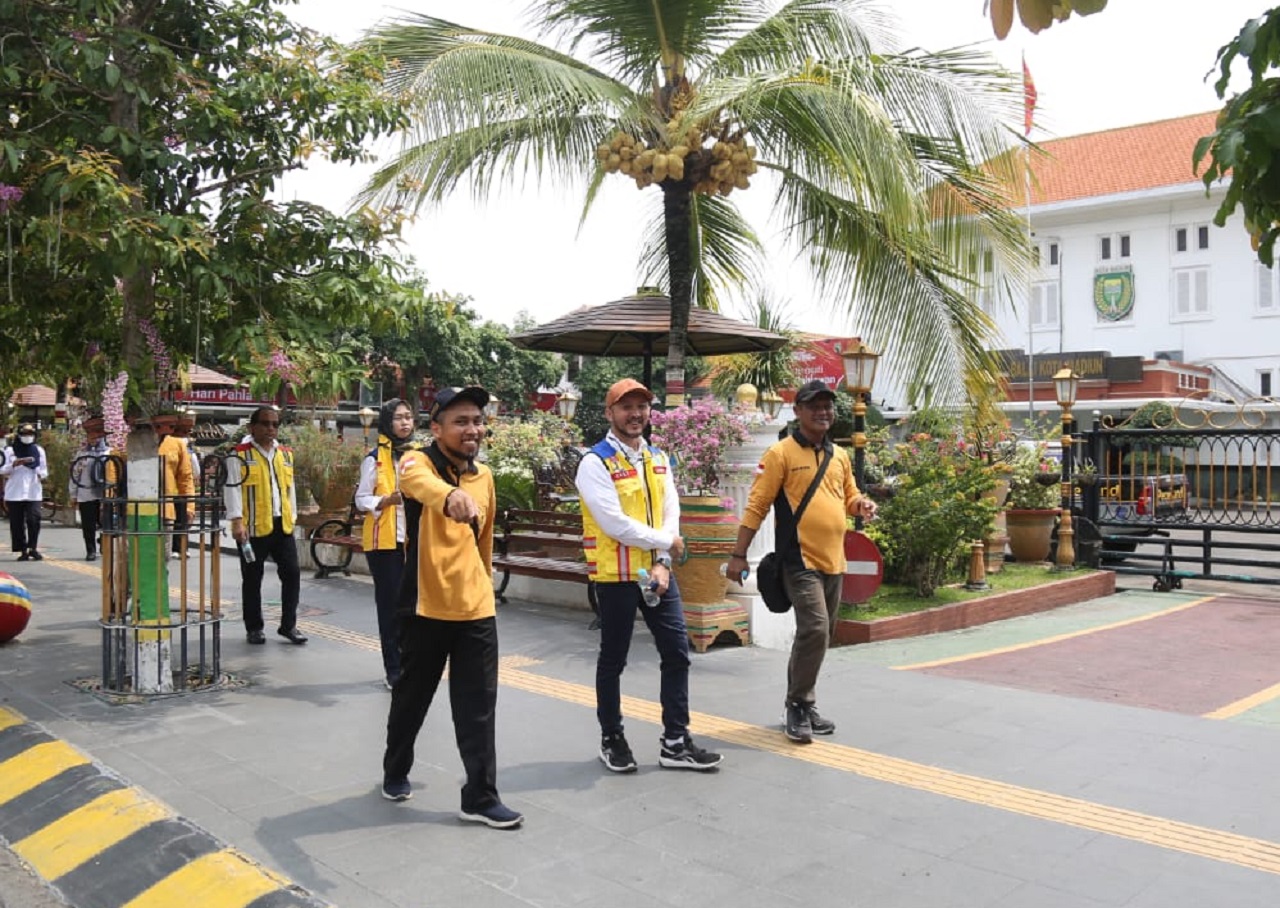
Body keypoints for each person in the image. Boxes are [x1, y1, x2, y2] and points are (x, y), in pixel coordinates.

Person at [381, 385, 523, 829]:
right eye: (460, 421)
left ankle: (479, 796)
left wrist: (485, 586)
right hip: (425, 607)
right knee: (412, 699)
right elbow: (416, 483)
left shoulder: (484, 477)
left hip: (475, 609)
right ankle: (395, 769)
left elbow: (484, 542)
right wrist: (448, 496)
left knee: (478, 707)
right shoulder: (416, 462)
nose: (472, 429)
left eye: (477, 421)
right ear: (437, 428)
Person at [574, 378, 722, 774]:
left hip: (658, 572)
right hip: (617, 576)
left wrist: (663, 560)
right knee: (613, 660)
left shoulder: (658, 457)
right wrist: (667, 542)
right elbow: (615, 524)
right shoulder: (595, 463)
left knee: (677, 652)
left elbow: (671, 510)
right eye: (626, 407)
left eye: (641, 406)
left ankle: (675, 741)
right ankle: (612, 738)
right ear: (610, 413)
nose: (635, 414)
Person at [725, 379, 877, 745]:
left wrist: (861, 505)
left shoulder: (839, 456)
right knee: (815, 628)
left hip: (834, 560)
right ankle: (797, 704)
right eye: (815, 406)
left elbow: (849, 496)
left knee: (820, 633)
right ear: (798, 411)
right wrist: (738, 555)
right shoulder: (780, 454)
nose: (823, 412)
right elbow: (757, 506)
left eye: (827, 406)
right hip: (798, 559)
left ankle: (803, 704)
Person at [223, 407, 306, 645]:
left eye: (275, 424)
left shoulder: (285, 454)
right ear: (252, 427)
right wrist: (237, 521)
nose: (271, 428)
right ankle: (254, 628)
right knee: (252, 578)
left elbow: (289, 490)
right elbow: (231, 488)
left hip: (282, 525)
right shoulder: (238, 455)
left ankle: (288, 626)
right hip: (252, 528)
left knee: (292, 574)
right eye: (265, 423)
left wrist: (293, 517)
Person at [355, 398, 419, 690]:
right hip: (384, 544)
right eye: (399, 417)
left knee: (414, 607)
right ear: (387, 422)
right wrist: (385, 500)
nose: (405, 422)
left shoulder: (419, 457)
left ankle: (411, 664)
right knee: (391, 609)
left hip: (413, 541)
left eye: (409, 417)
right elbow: (361, 499)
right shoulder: (374, 458)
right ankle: (393, 670)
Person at [2, 424, 48, 561]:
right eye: (25, 434)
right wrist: (14, 464)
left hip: (33, 491)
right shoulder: (9, 450)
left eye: (30, 434)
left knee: (34, 519)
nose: (28, 437)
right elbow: (2, 469)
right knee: (17, 523)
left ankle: (32, 547)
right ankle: (22, 549)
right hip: (15, 491)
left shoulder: (38, 450)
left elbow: (44, 469)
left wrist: (39, 473)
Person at [70, 417, 110, 561]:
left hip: (105, 494)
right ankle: (90, 550)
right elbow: (75, 474)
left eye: (97, 436)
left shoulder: (109, 453)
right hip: (86, 494)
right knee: (88, 524)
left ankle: (104, 542)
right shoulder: (82, 455)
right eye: (91, 436)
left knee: (106, 522)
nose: (94, 439)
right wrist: (73, 494)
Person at [157, 419, 196, 559]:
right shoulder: (128, 442)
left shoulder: (177, 444)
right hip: (134, 511)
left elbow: (185, 478)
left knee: (163, 557)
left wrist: (190, 507)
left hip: (166, 509)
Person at [170, 413, 201, 557]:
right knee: (178, 521)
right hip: (176, 490)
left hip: (179, 490)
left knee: (180, 520)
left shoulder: (188, 453)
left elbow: (196, 472)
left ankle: (179, 548)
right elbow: (196, 472)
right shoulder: (184, 451)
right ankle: (178, 548)